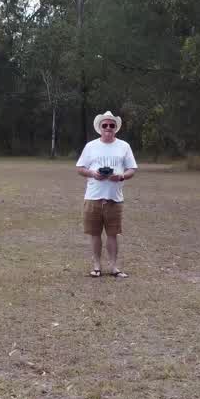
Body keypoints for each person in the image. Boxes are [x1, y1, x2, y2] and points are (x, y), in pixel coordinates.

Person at [75, 111, 138, 278]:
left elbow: (132, 169)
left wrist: (122, 176)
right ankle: (96, 266)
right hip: (93, 197)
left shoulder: (124, 146)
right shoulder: (90, 146)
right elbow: (80, 168)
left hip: (114, 198)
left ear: (116, 128)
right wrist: (93, 174)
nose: (108, 128)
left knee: (112, 234)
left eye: (112, 125)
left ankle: (114, 267)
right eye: (105, 125)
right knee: (95, 234)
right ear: (100, 128)